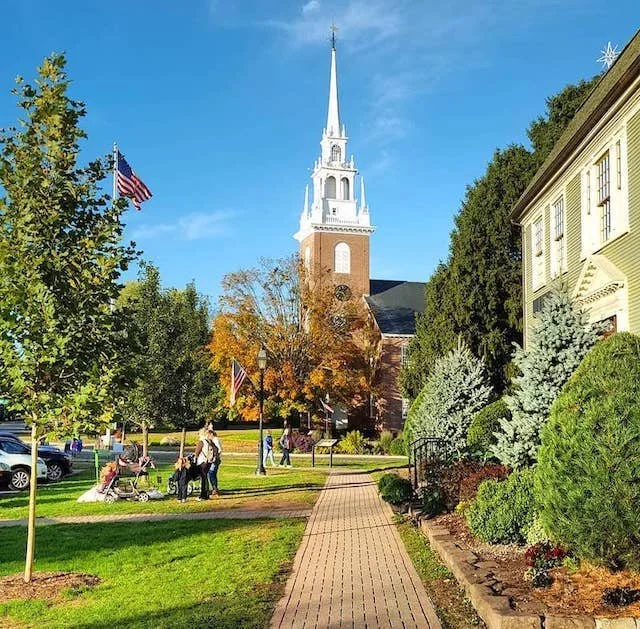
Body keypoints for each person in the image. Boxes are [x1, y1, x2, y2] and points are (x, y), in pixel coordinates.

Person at [194, 428, 215, 500]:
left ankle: (203, 496)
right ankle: (206, 494)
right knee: (205, 478)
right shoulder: (210, 441)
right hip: (209, 461)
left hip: (202, 462)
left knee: (203, 478)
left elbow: (196, 453)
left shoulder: (201, 442)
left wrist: (195, 460)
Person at [207, 431, 222, 496]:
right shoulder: (215, 440)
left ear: (212, 434)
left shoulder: (215, 440)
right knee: (213, 474)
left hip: (214, 460)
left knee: (211, 473)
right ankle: (215, 488)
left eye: (208, 435)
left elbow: (219, 449)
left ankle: (214, 489)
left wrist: (215, 456)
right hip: (215, 459)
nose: (208, 436)